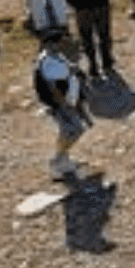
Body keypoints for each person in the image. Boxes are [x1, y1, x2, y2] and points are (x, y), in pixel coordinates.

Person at [33, 30, 93, 181]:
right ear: (52, 43)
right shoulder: (48, 62)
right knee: (74, 131)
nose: (65, 43)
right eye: (62, 41)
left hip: (67, 103)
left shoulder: (56, 56)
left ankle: (62, 159)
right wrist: (66, 106)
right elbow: (54, 88)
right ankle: (58, 161)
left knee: (69, 132)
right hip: (61, 106)